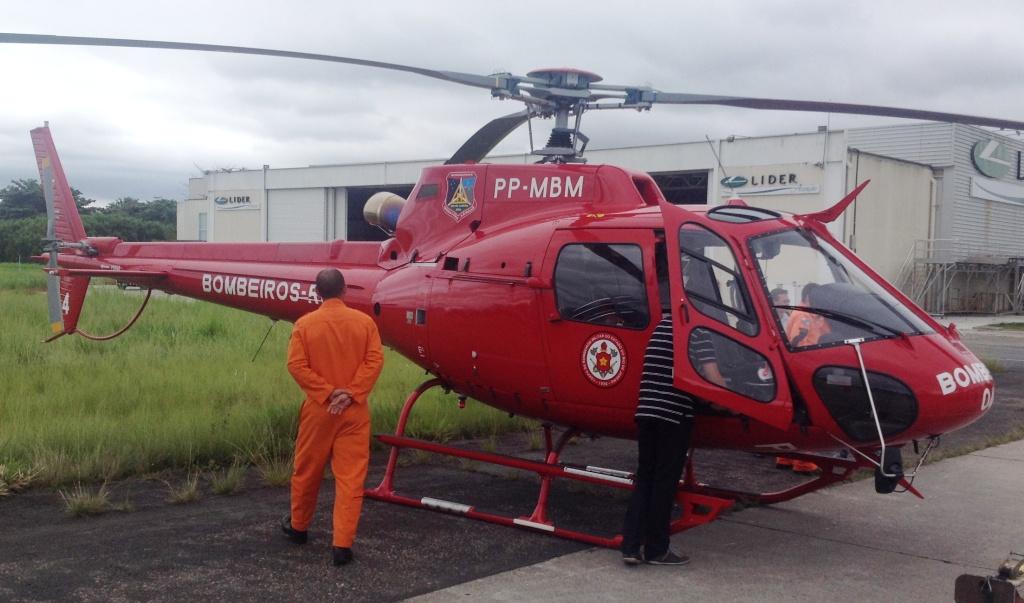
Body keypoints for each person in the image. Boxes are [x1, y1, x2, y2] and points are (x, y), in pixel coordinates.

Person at [280, 268, 384, 567]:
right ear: (345, 291)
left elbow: (296, 365)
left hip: (319, 409)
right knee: (351, 479)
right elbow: (375, 360)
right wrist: (350, 393)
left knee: (307, 470)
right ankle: (342, 546)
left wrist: (327, 393)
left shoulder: (304, 325)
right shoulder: (365, 323)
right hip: (354, 409)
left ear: (317, 292)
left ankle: (299, 528)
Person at [620, 315, 720, 566]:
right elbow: (713, 380)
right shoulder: (698, 333)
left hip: (646, 413)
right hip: (673, 417)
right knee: (664, 484)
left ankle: (631, 547)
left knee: (645, 478)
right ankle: (657, 550)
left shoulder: (662, 327)